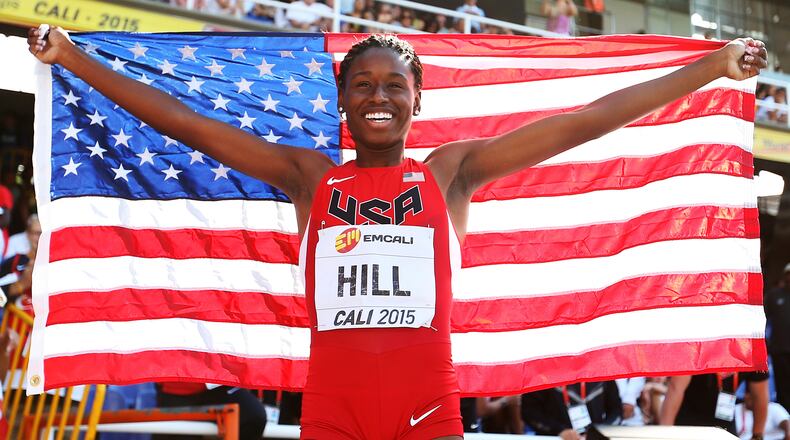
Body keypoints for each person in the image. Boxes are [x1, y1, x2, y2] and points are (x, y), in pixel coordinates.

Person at [28, 25, 766, 439]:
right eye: (362, 85)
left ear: (417, 99)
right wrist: (72, 58)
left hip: (427, 410)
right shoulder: (310, 177)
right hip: (332, 411)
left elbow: (582, 121)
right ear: (343, 100)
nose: (377, 96)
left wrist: (710, 66)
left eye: (392, 86)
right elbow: (186, 123)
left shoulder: (451, 173)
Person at [521, 381, 623, 439]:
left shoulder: (601, 373)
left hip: (594, 437)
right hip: (556, 437)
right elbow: (529, 412)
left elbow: (616, 410)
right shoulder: (542, 375)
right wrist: (559, 430)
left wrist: (599, 432)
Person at [766, 264, 790, 412]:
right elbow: (762, 318)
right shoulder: (774, 295)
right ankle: (783, 415)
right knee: (782, 385)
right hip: (779, 349)